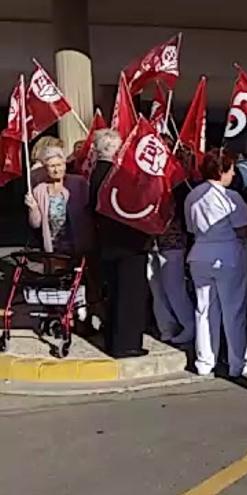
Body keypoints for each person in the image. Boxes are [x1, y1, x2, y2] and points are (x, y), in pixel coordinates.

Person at [184, 150, 247, 377]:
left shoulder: (192, 195)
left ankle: (204, 362)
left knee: (203, 310)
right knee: (233, 311)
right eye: (231, 169)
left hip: (199, 254)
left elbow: (190, 228)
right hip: (228, 255)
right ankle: (237, 363)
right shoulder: (230, 197)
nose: (233, 174)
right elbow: (244, 228)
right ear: (222, 170)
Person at [89, 130, 152, 358]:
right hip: (127, 245)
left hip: (108, 243)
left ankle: (113, 340)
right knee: (129, 296)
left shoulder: (95, 173)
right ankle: (127, 344)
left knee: (115, 293)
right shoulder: (115, 175)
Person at [148, 181, 196, 345]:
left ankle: (189, 324)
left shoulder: (177, 184)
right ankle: (166, 327)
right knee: (157, 287)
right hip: (152, 242)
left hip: (172, 242)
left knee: (174, 287)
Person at [25, 146, 93, 255]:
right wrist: (33, 208)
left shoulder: (79, 183)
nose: (56, 170)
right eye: (52, 166)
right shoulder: (40, 190)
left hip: (78, 246)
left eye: (59, 165)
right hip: (54, 248)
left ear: (64, 164)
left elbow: (90, 209)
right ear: (45, 168)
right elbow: (36, 224)